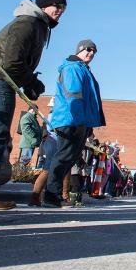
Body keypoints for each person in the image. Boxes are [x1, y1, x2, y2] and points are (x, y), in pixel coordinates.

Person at [0, 0, 66, 208]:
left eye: (63, 8)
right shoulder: (27, 23)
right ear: (43, 5)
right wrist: (30, 81)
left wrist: (29, 81)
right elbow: (11, 62)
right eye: (56, 6)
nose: (60, 11)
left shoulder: (39, 26)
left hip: (0, 81)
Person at [41, 40, 105, 207]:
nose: (91, 53)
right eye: (88, 50)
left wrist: (88, 124)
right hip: (70, 119)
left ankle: (54, 194)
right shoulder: (72, 67)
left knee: (69, 158)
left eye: (94, 52)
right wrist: (78, 120)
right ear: (80, 50)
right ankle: (50, 194)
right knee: (63, 156)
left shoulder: (83, 69)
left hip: (79, 120)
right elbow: (74, 95)